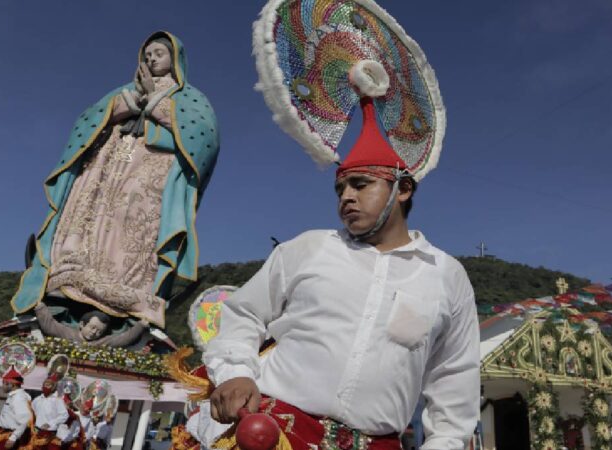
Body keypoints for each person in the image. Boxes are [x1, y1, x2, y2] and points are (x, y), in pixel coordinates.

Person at [202, 97, 481, 449]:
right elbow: (243, 313)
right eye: (340, 188)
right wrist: (236, 373)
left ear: (403, 189)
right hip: (278, 433)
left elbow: (454, 376)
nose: (346, 197)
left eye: (361, 185)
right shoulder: (308, 248)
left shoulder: (446, 275)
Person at [11, 30, 220, 331]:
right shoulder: (124, 91)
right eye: (147, 55)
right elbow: (88, 120)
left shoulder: (190, 98)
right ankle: (67, 290)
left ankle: (125, 301)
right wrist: (131, 102)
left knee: (131, 228)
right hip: (104, 172)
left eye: (158, 54)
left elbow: (204, 137)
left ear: (175, 59)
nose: (151, 59)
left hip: (150, 175)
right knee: (90, 221)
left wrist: (154, 102)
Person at [34, 305, 146, 347]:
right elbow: (50, 326)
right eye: (92, 327)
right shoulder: (68, 333)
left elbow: (123, 339)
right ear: (82, 324)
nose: (94, 333)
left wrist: (140, 325)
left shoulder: (101, 342)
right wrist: (40, 307)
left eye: (99, 332)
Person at [29, 375, 70, 450]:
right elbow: (31, 413)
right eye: (44, 384)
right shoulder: (37, 400)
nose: (45, 386)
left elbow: (64, 415)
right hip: (36, 432)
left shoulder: (58, 400)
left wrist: (50, 423)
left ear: (53, 387)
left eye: (48, 385)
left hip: (50, 433)